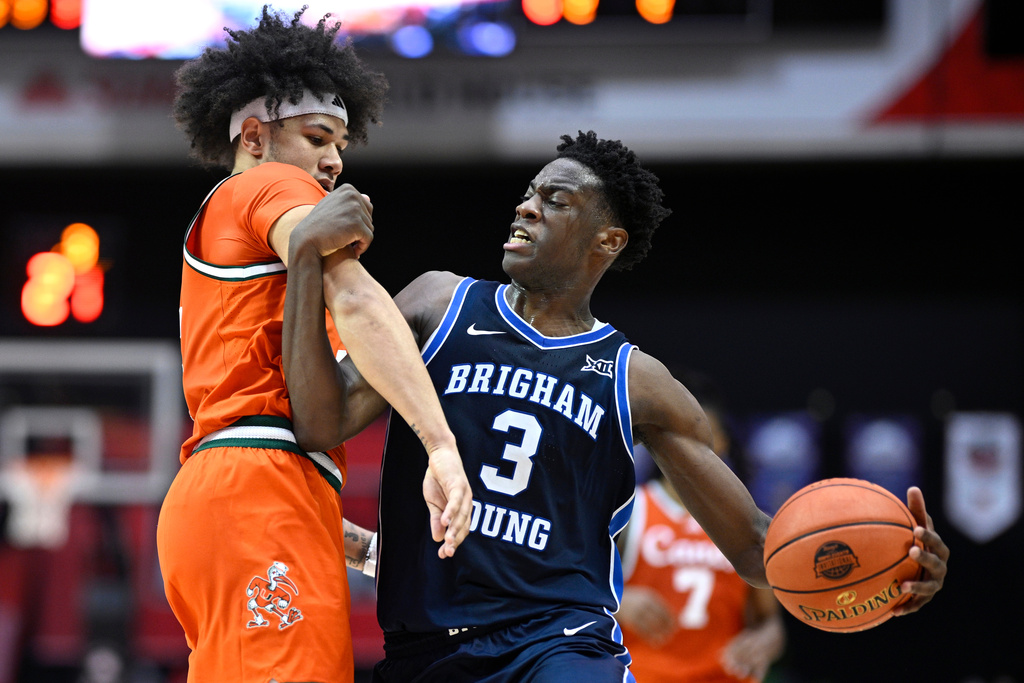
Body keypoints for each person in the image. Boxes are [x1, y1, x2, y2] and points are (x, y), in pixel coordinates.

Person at [283, 130, 949, 682]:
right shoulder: (437, 302)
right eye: (527, 194)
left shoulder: (635, 379)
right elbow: (320, 421)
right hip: (424, 649)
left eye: (556, 199)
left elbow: (753, 544)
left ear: (608, 239)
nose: (526, 208)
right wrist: (306, 258)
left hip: (559, 644)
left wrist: (886, 577)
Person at [155, 7, 472, 683]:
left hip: (231, 493)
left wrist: (359, 547)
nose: (332, 159)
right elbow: (358, 300)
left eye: (341, 145)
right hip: (255, 488)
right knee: (426, 297)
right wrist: (440, 443)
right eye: (318, 136)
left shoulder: (230, 221)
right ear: (254, 135)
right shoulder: (271, 183)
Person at [617, 371, 786, 683]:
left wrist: (763, 642)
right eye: (680, 431)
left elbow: (770, 625)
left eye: (703, 431)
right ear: (658, 438)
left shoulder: (750, 520)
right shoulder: (629, 509)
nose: (691, 442)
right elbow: (572, 598)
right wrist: (619, 603)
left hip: (724, 675)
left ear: (722, 439)